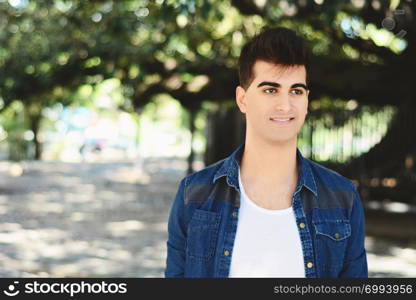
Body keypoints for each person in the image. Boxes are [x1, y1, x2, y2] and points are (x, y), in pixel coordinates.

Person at [165, 26, 368, 278]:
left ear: (306, 101)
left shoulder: (342, 198)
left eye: (296, 91)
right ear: (242, 99)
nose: (285, 105)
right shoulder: (194, 194)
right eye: (270, 90)